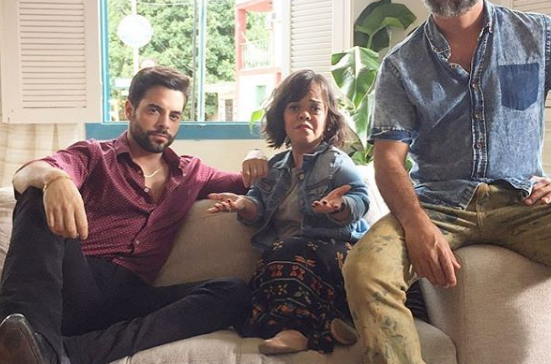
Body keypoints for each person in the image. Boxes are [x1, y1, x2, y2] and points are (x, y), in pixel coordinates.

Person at [342, 0, 551, 364]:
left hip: (523, 200)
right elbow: (388, 159)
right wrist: (417, 225)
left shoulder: (538, 36)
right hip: (438, 203)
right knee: (365, 269)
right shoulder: (400, 66)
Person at [0, 66, 262, 364]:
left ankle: (60, 354)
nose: (164, 123)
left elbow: (258, 182)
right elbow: (26, 174)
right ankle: (22, 337)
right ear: (129, 109)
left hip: (131, 296)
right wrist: (54, 179)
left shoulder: (193, 172)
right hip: (75, 285)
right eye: (154, 110)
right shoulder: (95, 155)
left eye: (174, 115)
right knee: (37, 194)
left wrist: (255, 153)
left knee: (232, 292)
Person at [207, 69, 371, 355]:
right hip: (287, 257)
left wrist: (340, 207)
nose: (304, 114)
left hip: (334, 252)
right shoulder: (274, 167)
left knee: (287, 250)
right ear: (281, 117)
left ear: (328, 118)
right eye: (294, 107)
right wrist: (243, 204)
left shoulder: (337, 162)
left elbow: (360, 198)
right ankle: (330, 325)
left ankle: (295, 331)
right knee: (266, 269)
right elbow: (257, 205)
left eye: (314, 108)